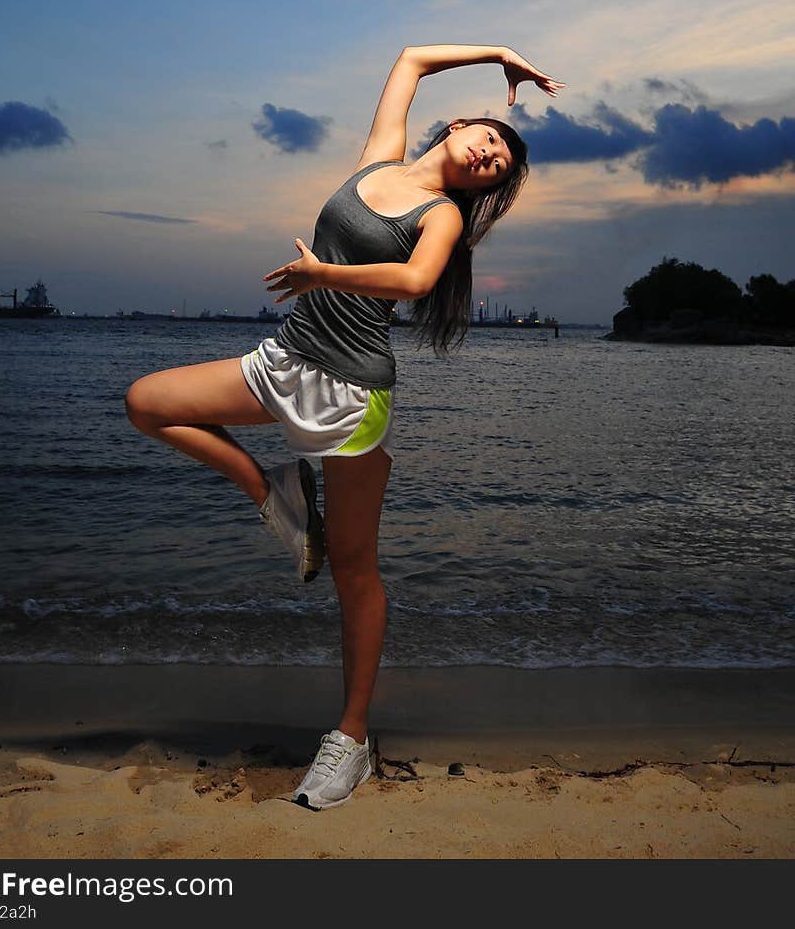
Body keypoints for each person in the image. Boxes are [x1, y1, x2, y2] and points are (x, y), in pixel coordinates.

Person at [125, 43, 563, 810]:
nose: (489, 155)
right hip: (286, 358)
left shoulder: (441, 220)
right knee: (147, 403)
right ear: (459, 126)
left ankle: (351, 739)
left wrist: (321, 273)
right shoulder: (377, 161)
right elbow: (412, 59)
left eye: (497, 166)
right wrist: (499, 52)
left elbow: (415, 280)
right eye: (490, 139)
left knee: (355, 573)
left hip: (352, 394)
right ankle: (270, 489)